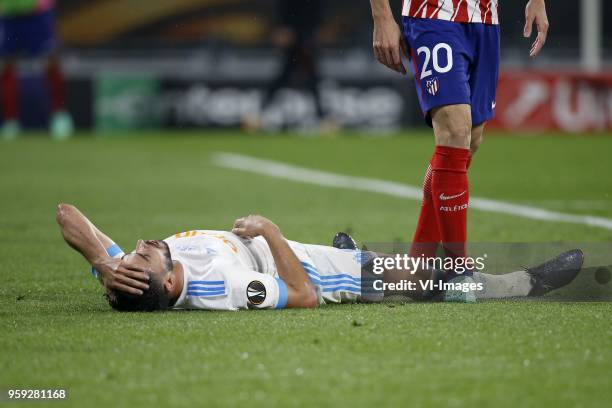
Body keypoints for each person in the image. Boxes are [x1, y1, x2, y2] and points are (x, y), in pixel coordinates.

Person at [56, 203, 583, 311]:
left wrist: (104, 264)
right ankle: (526, 282)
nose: (144, 246)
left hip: (291, 256)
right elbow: (303, 295)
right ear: (170, 285)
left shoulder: (133, 276)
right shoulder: (226, 287)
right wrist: (270, 230)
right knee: (428, 277)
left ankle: (347, 255)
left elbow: (67, 216)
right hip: (304, 270)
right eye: (146, 258)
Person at [368, 1, 549, 286]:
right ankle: (458, 271)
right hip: (431, 14)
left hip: (485, 19)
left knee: (469, 141)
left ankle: (418, 267)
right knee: (455, 131)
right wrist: (382, 16)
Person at [0, 0, 73, 140]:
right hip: (8, 14)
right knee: (6, 65)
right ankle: (10, 122)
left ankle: (59, 117)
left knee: (51, 61)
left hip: (39, 13)